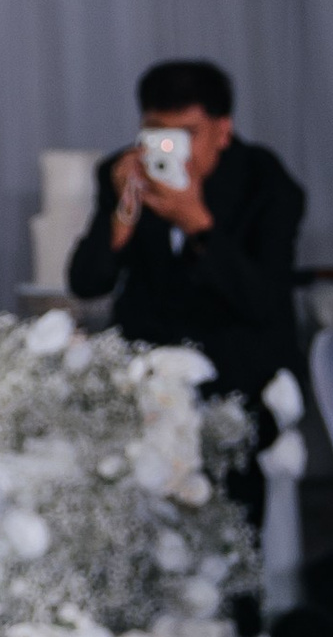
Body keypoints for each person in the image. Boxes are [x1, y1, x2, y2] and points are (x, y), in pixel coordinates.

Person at [66, 55, 305, 403]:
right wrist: (123, 216)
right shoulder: (123, 173)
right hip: (146, 375)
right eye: (157, 132)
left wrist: (197, 223)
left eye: (186, 134)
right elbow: (86, 283)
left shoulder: (265, 181)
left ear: (223, 132)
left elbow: (262, 301)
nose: (169, 149)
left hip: (240, 379)